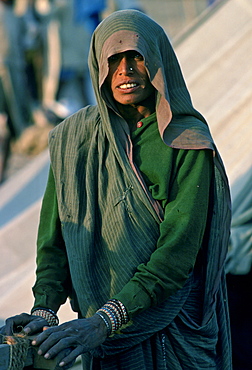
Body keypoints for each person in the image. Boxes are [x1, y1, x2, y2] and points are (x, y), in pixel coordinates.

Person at [1, 9, 232, 370]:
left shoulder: (187, 142)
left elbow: (177, 254)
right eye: (113, 59)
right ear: (99, 67)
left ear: (157, 62)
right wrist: (44, 310)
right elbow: (55, 241)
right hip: (105, 344)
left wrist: (104, 321)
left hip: (175, 336)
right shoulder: (73, 141)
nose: (124, 71)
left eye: (136, 56)